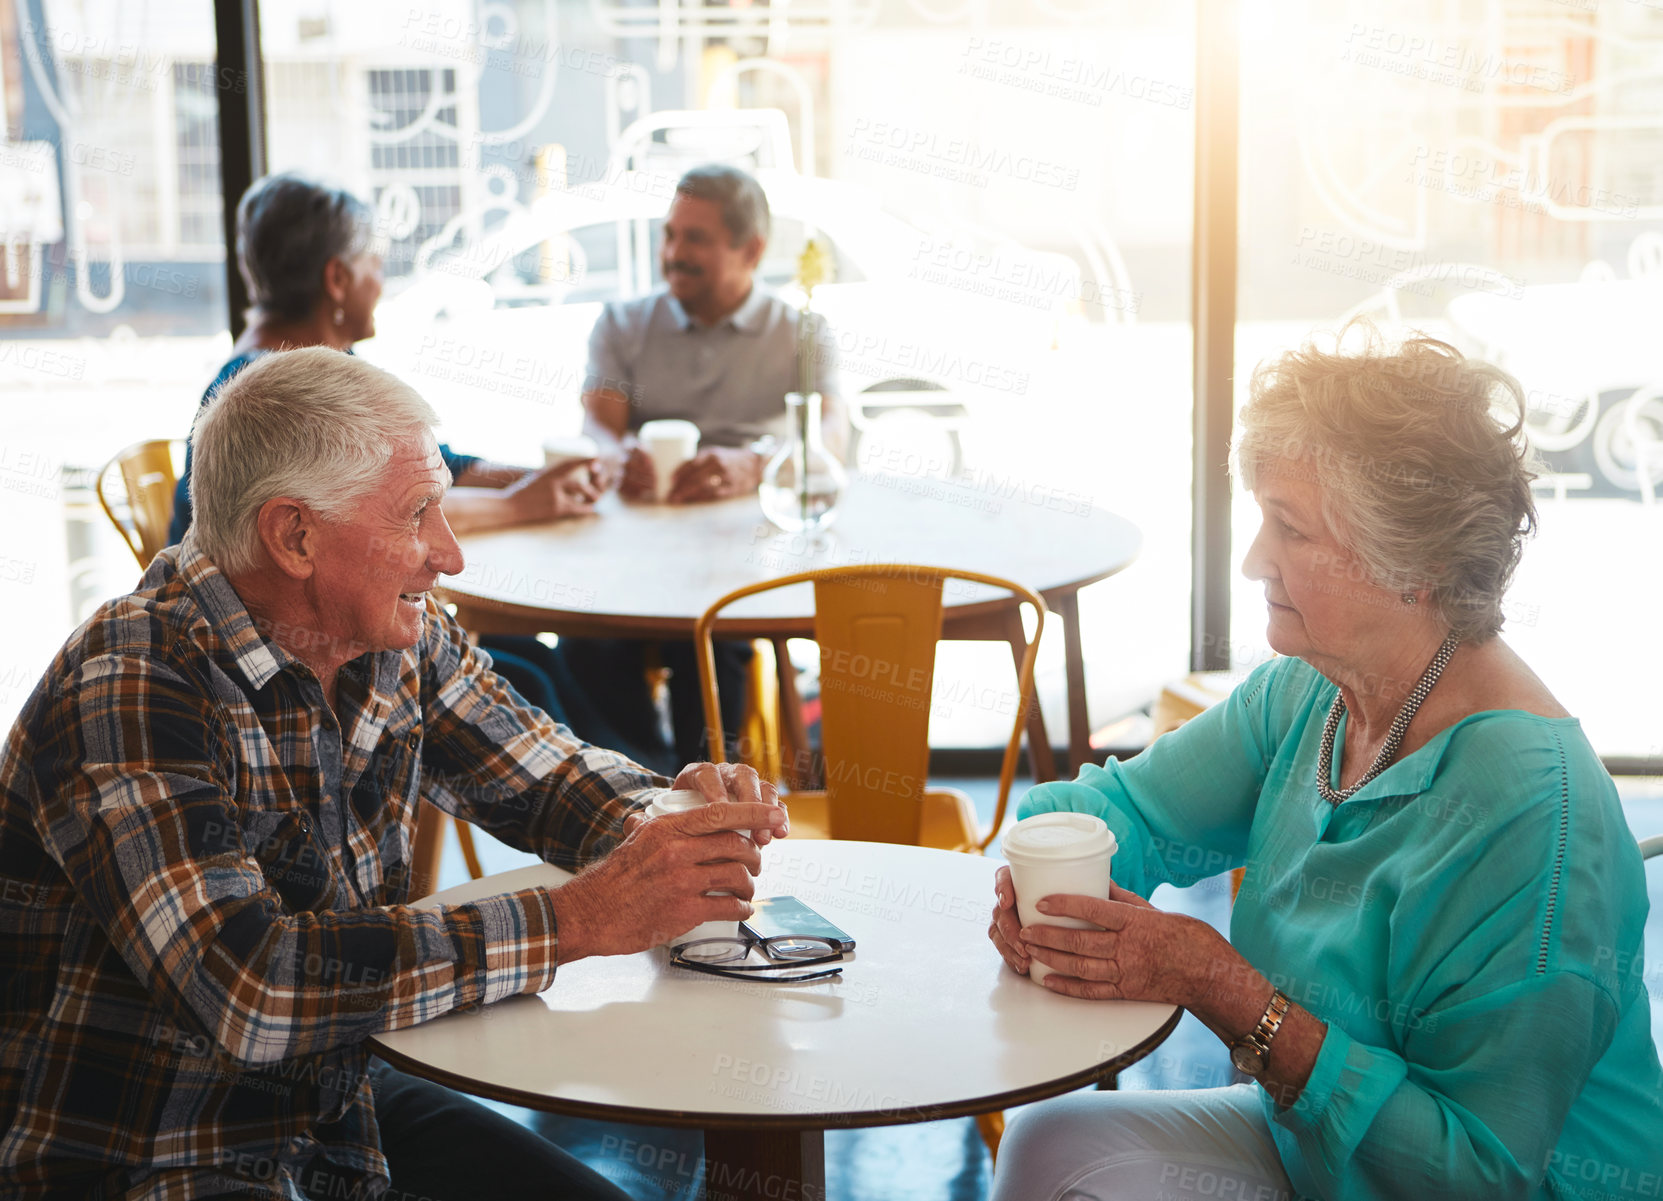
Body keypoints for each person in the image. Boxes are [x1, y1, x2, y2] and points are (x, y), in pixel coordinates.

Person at [0, 347, 790, 1200]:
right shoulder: (134, 675)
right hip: (145, 1148)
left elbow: (549, 778)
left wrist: (673, 815)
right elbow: (250, 985)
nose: (448, 555)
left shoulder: (387, 641)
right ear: (294, 535)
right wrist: (579, 917)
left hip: (331, 1099)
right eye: (418, 515)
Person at [986, 330, 1663, 1200]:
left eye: (1289, 528)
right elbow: (1129, 811)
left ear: (1411, 563)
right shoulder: (1310, 694)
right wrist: (1042, 882)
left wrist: (1220, 985)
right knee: (1051, 1148)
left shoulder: (1532, 810)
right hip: (1323, 1144)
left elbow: (1475, 1174)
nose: (1251, 561)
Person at [165, 172, 638, 757]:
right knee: (531, 674)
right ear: (338, 278)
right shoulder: (273, 394)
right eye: (376, 263)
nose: (382, 281)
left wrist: (531, 477)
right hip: (273, 643)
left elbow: (435, 466)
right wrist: (520, 504)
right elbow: (372, 509)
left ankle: (651, 781)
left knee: (534, 661)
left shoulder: (323, 369)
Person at [569, 163, 846, 772]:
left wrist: (755, 465)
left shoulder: (801, 333)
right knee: (587, 642)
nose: (673, 253)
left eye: (695, 238)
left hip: (737, 562)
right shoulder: (622, 323)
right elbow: (598, 426)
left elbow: (834, 435)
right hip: (635, 552)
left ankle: (705, 804)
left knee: (715, 650)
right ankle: (638, 800)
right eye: (671, 235)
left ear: (751, 249)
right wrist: (619, 459)